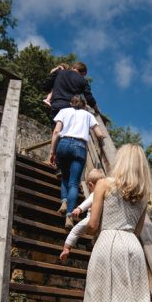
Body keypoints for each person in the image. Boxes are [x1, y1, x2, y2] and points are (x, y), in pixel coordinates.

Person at [81, 143, 152, 302]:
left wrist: (80, 229)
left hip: (108, 243)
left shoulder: (103, 184)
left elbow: (93, 226)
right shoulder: (143, 196)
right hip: (131, 246)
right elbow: (138, 230)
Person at [49, 97, 105, 229]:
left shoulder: (64, 111)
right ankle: (69, 216)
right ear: (85, 106)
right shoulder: (88, 115)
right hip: (79, 146)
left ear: (71, 103)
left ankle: (64, 201)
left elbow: (56, 131)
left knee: (65, 177)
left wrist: (52, 151)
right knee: (74, 182)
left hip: (63, 144)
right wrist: (102, 138)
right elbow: (99, 133)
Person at [59, 168, 105, 259]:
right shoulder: (106, 194)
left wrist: (79, 209)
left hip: (91, 219)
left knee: (75, 231)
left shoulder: (96, 193)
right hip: (103, 221)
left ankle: (66, 248)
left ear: (91, 185)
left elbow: (88, 202)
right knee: (97, 238)